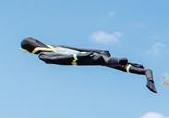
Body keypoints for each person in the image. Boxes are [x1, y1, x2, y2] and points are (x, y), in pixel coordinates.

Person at [21, 37, 157, 93]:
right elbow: (61, 59)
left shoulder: (50, 49)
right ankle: (144, 72)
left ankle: (130, 65)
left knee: (105, 61)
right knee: (107, 62)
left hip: (85, 56)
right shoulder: (45, 53)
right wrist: (81, 56)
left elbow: (72, 50)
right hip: (84, 58)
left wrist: (91, 52)